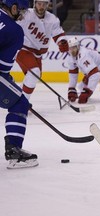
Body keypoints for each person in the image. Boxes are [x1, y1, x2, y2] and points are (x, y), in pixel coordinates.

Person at [0, 0, 38, 169]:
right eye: (21, 10)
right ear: (13, 8)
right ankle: (14, 151)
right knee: (19, 102)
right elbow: (3, 68)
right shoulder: (14, 30)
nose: (22, 15)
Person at [15, 0, 69, 100]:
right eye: (39, 3)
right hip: (23, 49)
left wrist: (62, 42)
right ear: (34, 3)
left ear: (48, 5)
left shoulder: (52, 19)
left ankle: (19, 95)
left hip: (38, 54)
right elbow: (12, 24)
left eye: (44, 4)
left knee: (34, 76)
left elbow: (58, 34)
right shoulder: (26, 14)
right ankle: (22, 102)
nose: (41, 6)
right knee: (34, 72)